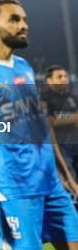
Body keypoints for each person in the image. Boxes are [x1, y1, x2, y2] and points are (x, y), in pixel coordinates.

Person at [0, 0, 78, 249]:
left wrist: (64, 175)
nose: (23, 25)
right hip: (14, 189)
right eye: (14, 19)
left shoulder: (23, 67)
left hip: (50, 184)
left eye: (24, 19)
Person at [41, 65, 78, 198]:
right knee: (70, 183)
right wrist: (73, 118)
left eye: (65, 76)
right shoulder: (44, 98)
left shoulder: (72, 97)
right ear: (49, 80)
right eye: (59, 76)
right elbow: (47, 123)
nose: (64, 79)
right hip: (59, 148)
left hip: (75, 144)